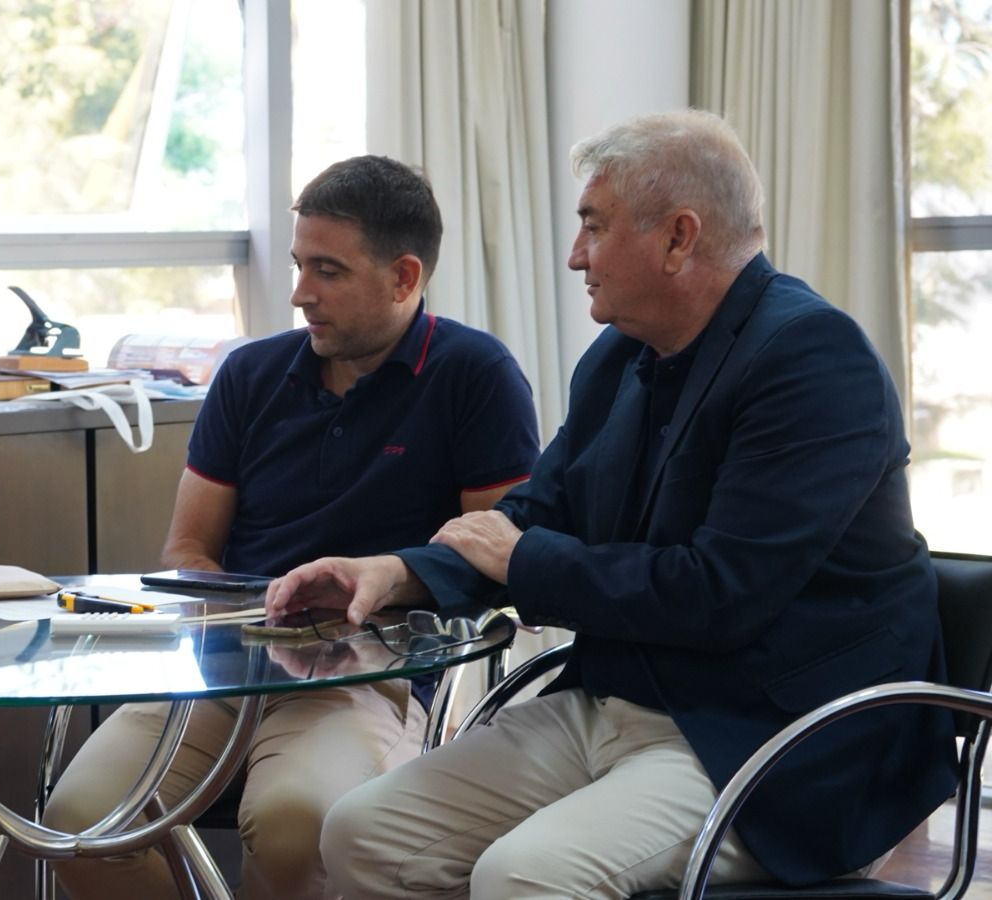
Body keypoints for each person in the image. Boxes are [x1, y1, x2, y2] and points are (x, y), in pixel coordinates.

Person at [268, 110, 960, 899]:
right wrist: (392, 575)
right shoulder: (619, 355)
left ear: (678, 238)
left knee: (523, 876)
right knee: (363, 833)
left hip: (780, 736)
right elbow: (539, 511)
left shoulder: (813, 361)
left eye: (593, 226)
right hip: (619, 701)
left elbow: (721, 593)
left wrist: (526, 561)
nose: (575, 255)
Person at [45, 155, 541, 899]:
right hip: (223, 667)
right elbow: (188, 548)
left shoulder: (476, 375)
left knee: (295, 826)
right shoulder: (249, 374)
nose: (301, 293)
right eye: (299, 265)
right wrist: (232, 630)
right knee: (79, 826)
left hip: (369, 674)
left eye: (328, 271)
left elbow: (496, 557)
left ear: (404, 278)